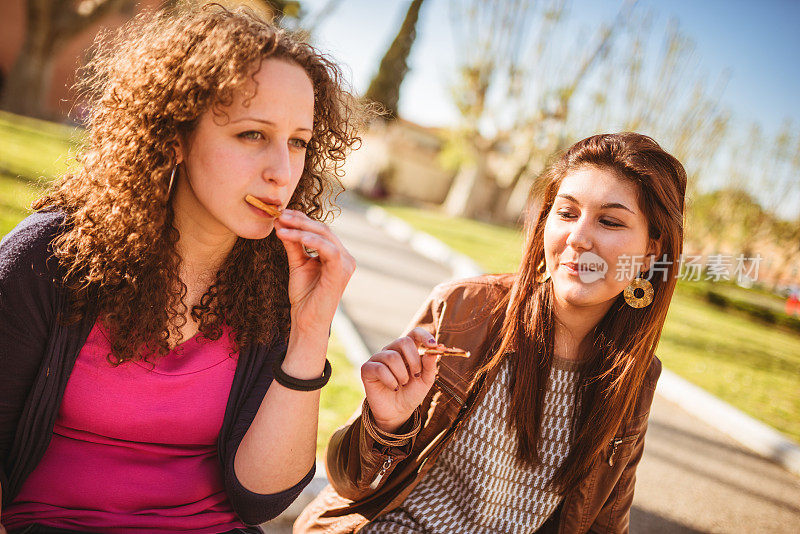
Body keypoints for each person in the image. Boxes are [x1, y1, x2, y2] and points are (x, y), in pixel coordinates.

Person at [0, 4, 364, 533]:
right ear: (175, 135)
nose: (281, 172)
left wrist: (309, 330)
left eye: (298, 142)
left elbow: (264, 499)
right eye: (252, 135)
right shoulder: (50, 258)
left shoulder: (276, 286)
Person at [296, 132, 687, 533]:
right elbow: (348, 480)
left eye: (609, 221)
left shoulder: (635, 373)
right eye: (567, 214)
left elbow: (605, 522)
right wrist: (385, 426)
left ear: (651, 252)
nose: (578, 237)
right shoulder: (467, 308)